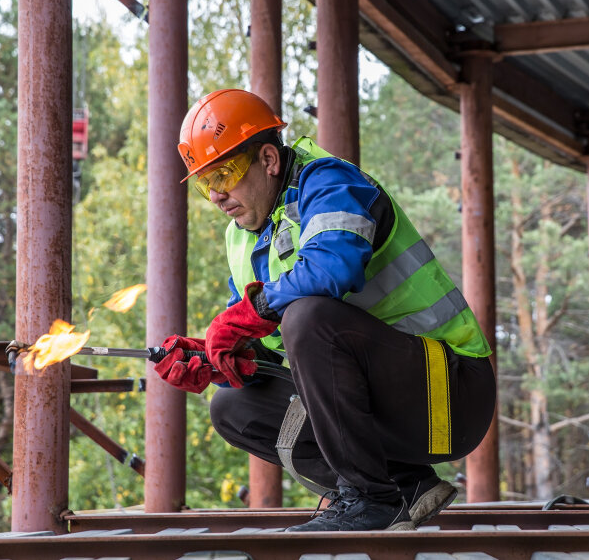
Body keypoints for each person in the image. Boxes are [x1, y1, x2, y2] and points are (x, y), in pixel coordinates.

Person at [154, 89, 496, 532]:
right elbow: (276, 354)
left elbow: (332, 269)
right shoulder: (240, 239)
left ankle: (370, 502)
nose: (218, 195)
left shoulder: (330, 183)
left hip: (452, 393)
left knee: (307, 316)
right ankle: (402, 486)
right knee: (234, 407)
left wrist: (251, 311)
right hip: (395, 408)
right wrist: (218, 359)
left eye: (226, 173)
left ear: (269, 160)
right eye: (206, 183)